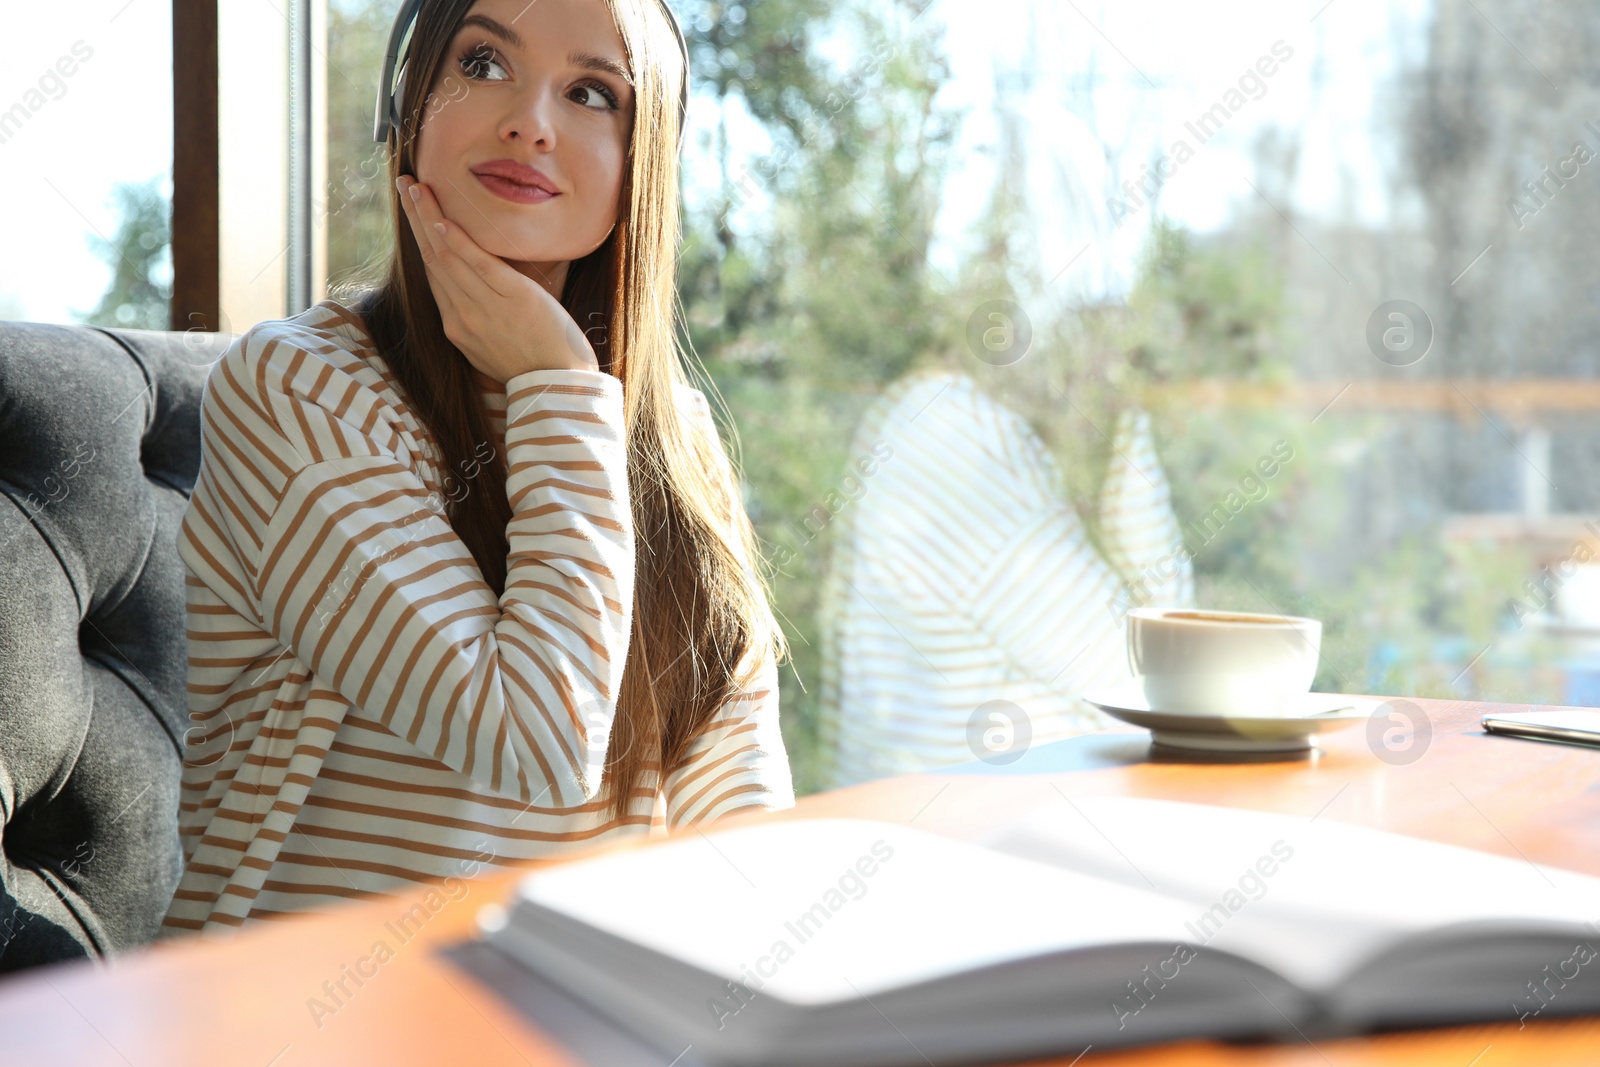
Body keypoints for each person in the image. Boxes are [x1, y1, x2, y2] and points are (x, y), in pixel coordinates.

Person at [162, 0, 792, 935]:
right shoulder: (299, 392)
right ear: (409, 106)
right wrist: (556, 384)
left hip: (590, 1016)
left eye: (590, 92)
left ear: (641, 169)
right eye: (485, 62)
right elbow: (533, 741)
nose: (529, 121)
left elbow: (744, 835)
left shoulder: (675, 437)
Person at [817, 367, 1193, 787]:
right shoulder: (958, 442)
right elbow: (1156, 681)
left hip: (962, 818)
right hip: (977, 833)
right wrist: (1133, 451)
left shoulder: (942, 419)